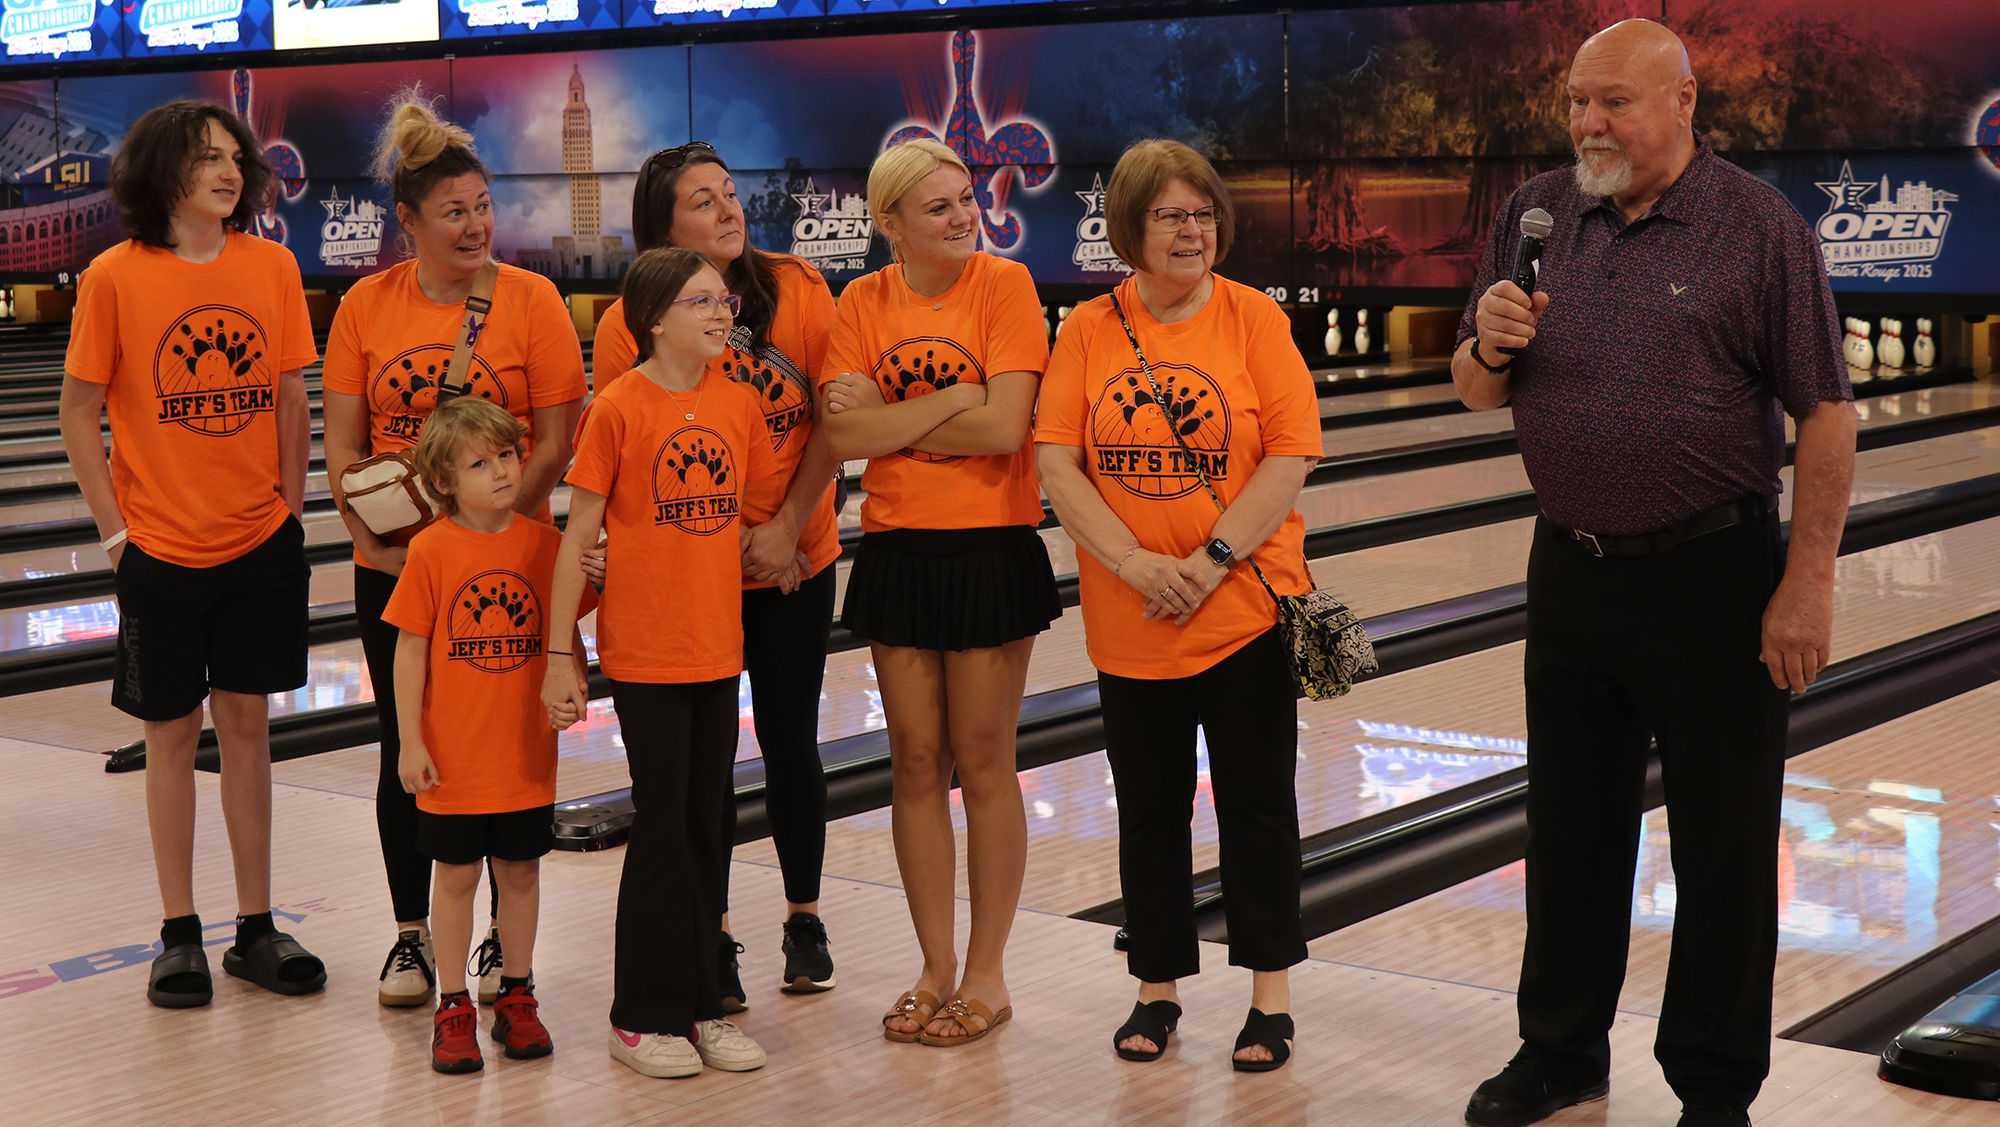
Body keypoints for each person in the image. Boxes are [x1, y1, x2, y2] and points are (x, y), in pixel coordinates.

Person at [1449, 21, 1854, 1127]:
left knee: (1721, 840)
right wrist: (1483, 344)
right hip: (1569, 568)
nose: (1587, 124)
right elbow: (1475, 392)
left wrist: (1804, 581)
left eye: (1612, 103)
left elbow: (1824, 410)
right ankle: (1558, 1049)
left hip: (1712, 574)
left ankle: (1714, 1085)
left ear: (1682, 99)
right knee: (1568, 828)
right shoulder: (1539, 213)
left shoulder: (1754, 226)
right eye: (1576, 102)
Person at [1036, 139, 1320, 1071]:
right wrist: (1128, 561)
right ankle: (1155, 989)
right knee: (1148, 810)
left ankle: (1268, 1000)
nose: (1191, 229)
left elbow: (1290, 453)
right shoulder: (1087, 328)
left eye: (1203, 213)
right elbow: (1055, 462)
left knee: (1257, 807)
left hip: (1240, 608)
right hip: (1132, 617)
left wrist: (1209, 558)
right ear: (1130, 227)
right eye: (1170, 214)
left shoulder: (1252, 321)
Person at [322, 95, 587, 1011]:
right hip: (399, 565)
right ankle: (410, 937)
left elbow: (555, 439)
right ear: (408, 224)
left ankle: (498, 950)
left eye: (483, 206)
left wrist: (493, 523)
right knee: (415, 744)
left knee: (504, 754)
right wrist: (389, 534)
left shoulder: (533, 300)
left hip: (512, 564)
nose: (476, 225)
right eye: (454, 211)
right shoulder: (366, 304)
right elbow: (346, 449)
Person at [60, 100, 324, 1007]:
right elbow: (75, 411)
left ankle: (254, 926)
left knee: (247, 731)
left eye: (235, 157)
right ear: (164, 173)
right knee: (170, 736)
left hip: (258, 540)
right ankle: (180, 931)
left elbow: (292, 398)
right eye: (208, 158)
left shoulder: (273, 267)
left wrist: (290, 510)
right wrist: (115, 532)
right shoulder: (114, 277)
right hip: (161, 550)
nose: (230, 171)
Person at [589, 142, 842, 1007]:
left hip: (792, 554)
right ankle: (715, 935)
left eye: (731, 194)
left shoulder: (799, 288)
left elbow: (830, 425)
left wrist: (782, 529)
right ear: (664, 230)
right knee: (705, 766)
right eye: (704, 201)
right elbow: (633, 456)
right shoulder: (631, 319)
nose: (730, 209)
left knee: (789, 739)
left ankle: (802, 916)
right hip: (688, 572)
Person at [819, 137, 1060, 1047]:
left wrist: (893, 420)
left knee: (983, 759)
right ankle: (933, 965)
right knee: (916, 763)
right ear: (891, 225)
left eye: (966, 200)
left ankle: (987, 975)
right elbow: (843, 439)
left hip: (990, 547)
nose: (965, 216)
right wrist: (947, 397)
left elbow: (1005, 428)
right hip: (896, 550)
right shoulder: (861, 299)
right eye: (940, 207)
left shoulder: (1005, 287)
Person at [543, 247, 780, 1079]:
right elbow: (579, 536)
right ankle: (640, 1015)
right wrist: (557, 654)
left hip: (719, 647)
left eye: (724, 301)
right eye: (700, 302)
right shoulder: (618, 407)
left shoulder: (737, 401)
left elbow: (741, 517)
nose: (722, 313)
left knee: (706, 829)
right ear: (653, 319)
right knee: (662, 834)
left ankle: (703, 1006)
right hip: (645, 652)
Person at [384, 396, 591, 1073]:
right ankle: (453, 1006)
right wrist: (411, 742)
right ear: (444, 480)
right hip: (454, 758)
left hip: (524, 753)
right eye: (481, 462)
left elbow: (567, 634)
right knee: (456, 879)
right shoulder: (430, 550)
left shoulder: (547, 545)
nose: (502, 470)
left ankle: (517, 995)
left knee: (522, 875)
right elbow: (410, 650)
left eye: (506, 455)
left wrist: (575, 687)